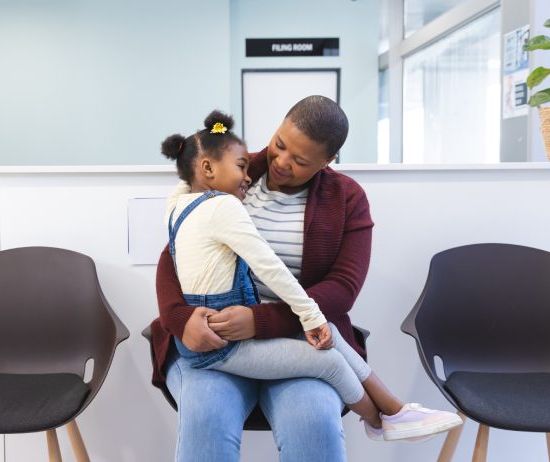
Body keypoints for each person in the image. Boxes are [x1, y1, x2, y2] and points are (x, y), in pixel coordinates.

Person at [149, 96, 458, 462]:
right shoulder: (229, 168)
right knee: (206, 420)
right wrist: (180, 319)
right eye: (280, 145)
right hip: (215, 336)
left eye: (300, 161)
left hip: (295, 333)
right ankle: (387, 413)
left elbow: (342, 289)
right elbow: (175, 253)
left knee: (313, 423)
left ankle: (389, 416)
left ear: (328, 161)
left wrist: (260, 321)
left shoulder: (347, 198)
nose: (281, 162)